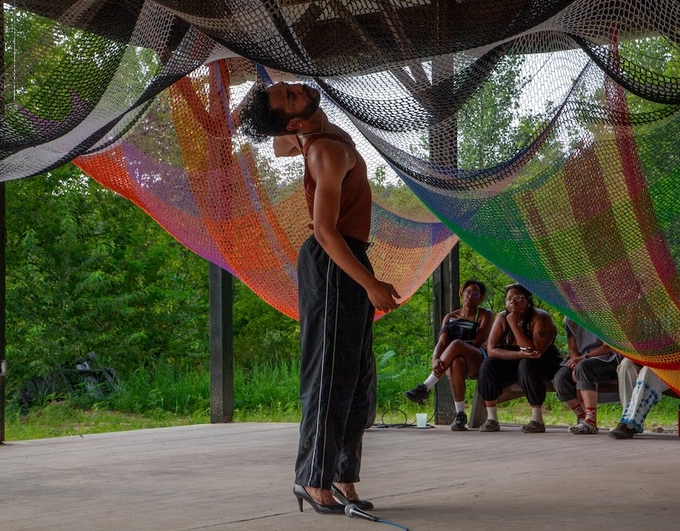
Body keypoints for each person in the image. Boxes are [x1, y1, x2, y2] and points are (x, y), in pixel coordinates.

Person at [240, 82, 400, 515]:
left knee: (358, 377)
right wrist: (370, 284)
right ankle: (312, 479)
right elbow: (325, 232)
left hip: (347, 257)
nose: (298, 86)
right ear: (295, 120)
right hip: (334, 260)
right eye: (291, 96)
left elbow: (278, 146)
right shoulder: (325, 151)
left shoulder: (307, 135)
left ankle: (343, 475)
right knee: (329, 376)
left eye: (288, 87)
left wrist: (270, 111)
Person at [403, 280, 494, 431]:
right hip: (452, 361)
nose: (470, 296)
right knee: (457, 361)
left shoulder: (485, 315)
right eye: (468, 292)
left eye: (475, 294)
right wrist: (435, 358)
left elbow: (477, 341)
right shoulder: (450, 317)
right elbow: (442, 342)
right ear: (462, 293)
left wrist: (455, 348)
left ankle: (426, 387)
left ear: (481, 298)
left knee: (457, 344)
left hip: (477, 359)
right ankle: (460, 415)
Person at [476, 284, 563, 433]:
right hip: (514, 362)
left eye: (517, 298)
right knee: (488, 364)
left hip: (542, 363)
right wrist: (518, 354)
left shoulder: (540, 317)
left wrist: (514, 325)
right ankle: (492, 419)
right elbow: (491, 350)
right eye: (509, 299)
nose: (512, 302)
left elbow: (533, 351)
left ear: (528, 300)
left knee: (527, 363)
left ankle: (537, 420)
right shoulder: (502, 317)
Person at [552, 317, 621, 434]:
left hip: (608, 358)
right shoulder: (570, 318)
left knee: (584, 367)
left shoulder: (605, 316)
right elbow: (572, 348)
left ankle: (590, 420)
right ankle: (583, 417)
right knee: (560, 378)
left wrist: (583, 359)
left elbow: (608, 347)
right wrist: (575, 364)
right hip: (581, 359)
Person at [609, 364, 670, 439]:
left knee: (648, 370)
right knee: (626, 365)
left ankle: (629, 424)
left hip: (672, 369)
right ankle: (627, 418)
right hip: (642, 362)